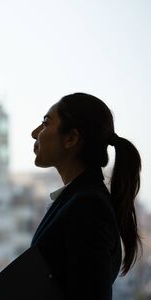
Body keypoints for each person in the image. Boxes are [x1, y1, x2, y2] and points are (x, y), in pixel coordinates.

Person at [30, 92, 141, 299]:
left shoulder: (87, 207)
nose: (34, 133)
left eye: (46, 123)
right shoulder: (78, 199)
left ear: (71, 138)